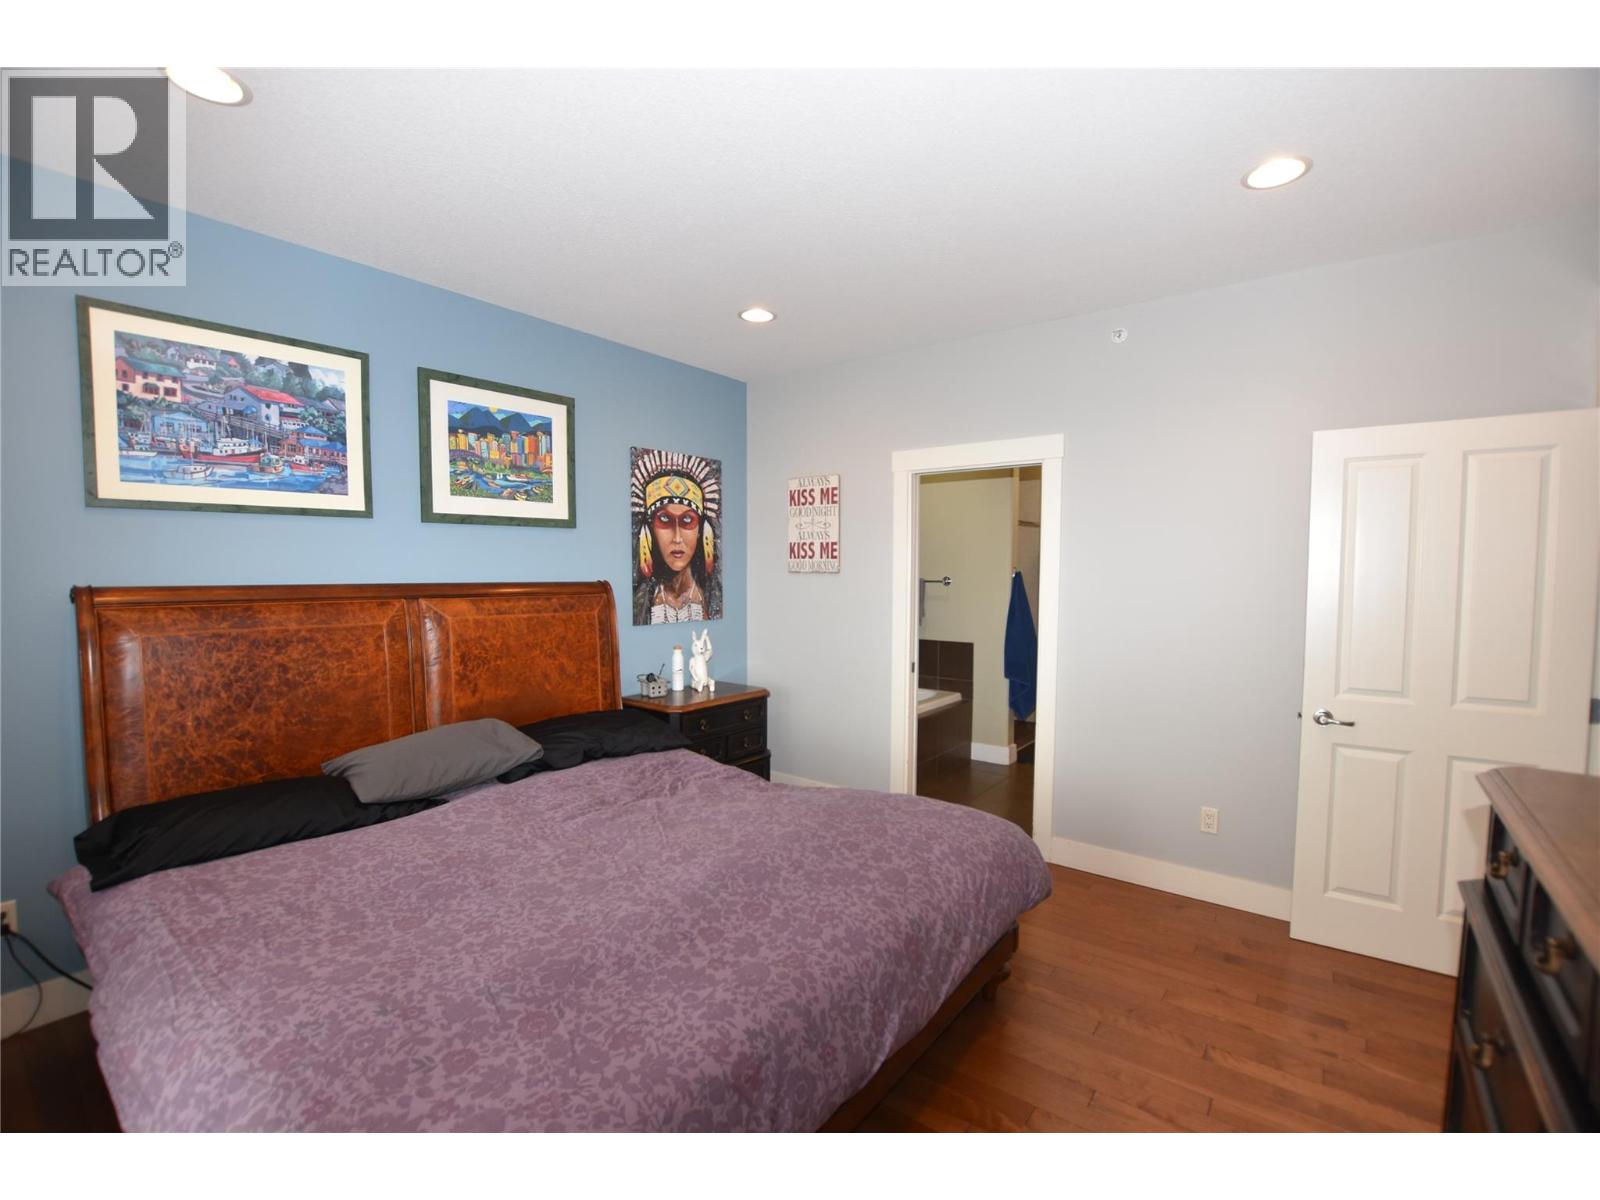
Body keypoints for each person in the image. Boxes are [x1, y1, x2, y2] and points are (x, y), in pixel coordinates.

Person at [631, 448, 722, 625]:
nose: (677, 538)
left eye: (688, 520)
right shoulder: (641, 601)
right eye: (665, 519)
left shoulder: (713, 597)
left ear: (701, 530)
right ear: (650, 529)